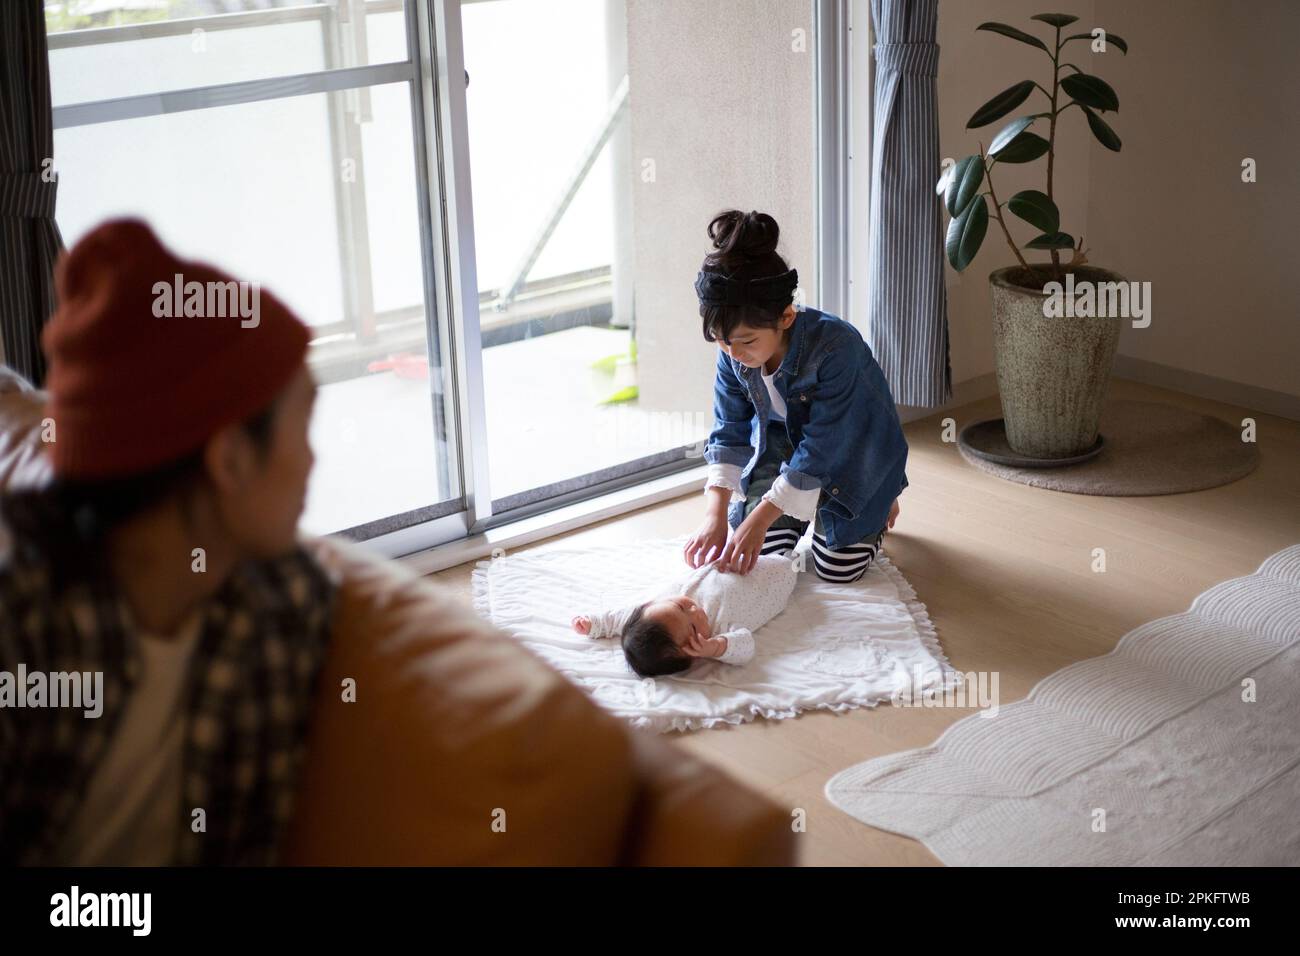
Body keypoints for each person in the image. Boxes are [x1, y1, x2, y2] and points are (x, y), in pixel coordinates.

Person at [0, 218, 334, 866]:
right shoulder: (23, 622)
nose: (313, 461)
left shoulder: (287, 606)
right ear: (231, 459)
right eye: (304, 426)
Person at [684, 209, 909, 583]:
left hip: (853, 451)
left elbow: (824, 446)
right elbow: (729, 431)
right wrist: (715, 516)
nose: (734, 353)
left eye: (746, 341)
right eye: (722, 342)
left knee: (837, 570)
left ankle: (880, 494)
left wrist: (759, 516)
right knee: (762, 557)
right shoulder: (732, 351)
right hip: (780, 445)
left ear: (786, 316)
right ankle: (798, 505)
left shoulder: (837, 347)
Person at [571, 552, 798, 677]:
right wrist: (717, 647)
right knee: (798, 559)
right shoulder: (718, 633)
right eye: (693, 627)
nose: (693, 609)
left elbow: (623, 617)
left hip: (742, 555)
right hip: (778, 581)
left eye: (679, 607)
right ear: (691, 652)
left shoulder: (660, 604)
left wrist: (596, 623)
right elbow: (745, 646)